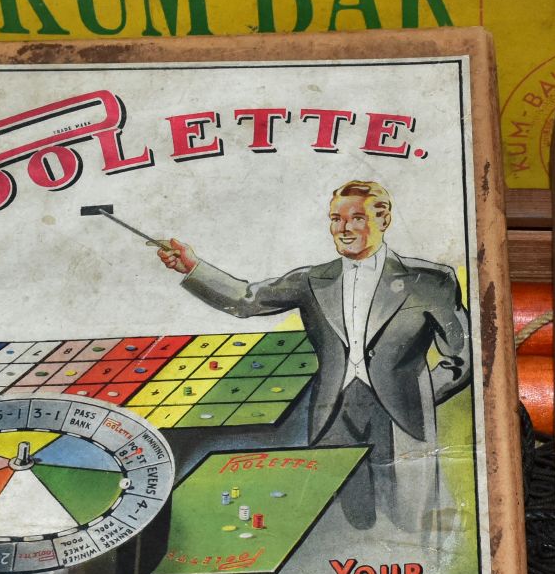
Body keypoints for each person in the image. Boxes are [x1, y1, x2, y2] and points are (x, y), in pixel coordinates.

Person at [158, 180, 471, 533]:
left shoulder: (431, 280)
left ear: (383, 219)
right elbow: (246, 299)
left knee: (409, 519)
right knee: (339, 523)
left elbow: (461, 356)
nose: (344, 228)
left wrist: (422, 394)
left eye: (356, 218)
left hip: (403, 420)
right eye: (336, 219)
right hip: (332, 416)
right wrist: (192, 268)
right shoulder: (312, 280)